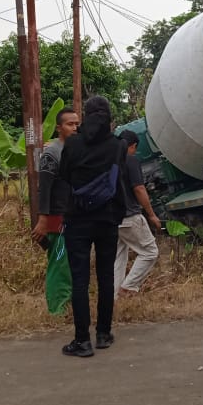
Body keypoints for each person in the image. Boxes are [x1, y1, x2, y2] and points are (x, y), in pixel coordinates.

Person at [48, 96, 128, 358]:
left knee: (80, 280)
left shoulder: (72, 143)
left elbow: (66, 177)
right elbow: (120, 180)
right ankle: (104, 334)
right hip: (107, 219)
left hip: (78, 218)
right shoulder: (118, 145)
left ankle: (82, 341)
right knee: (106, 276)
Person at [114, 129, 162, 296]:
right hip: (129, 216)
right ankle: (128, 287)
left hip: (111, 219)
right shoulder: (130, 160)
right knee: (150, 252)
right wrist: (151, 214)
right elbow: (139, 189)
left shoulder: (107, 160)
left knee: (119, 258)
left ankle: (114, 299)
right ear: (133, 146)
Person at [31, 106, 81, 241]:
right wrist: (43, 219)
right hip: (57, 216)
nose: (75, 128)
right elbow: (44, 188)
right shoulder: (52, 153)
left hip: (75, 216)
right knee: (60, 259)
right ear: (59, 128)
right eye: (70, 124)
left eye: (77, 124)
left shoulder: (78, 151)